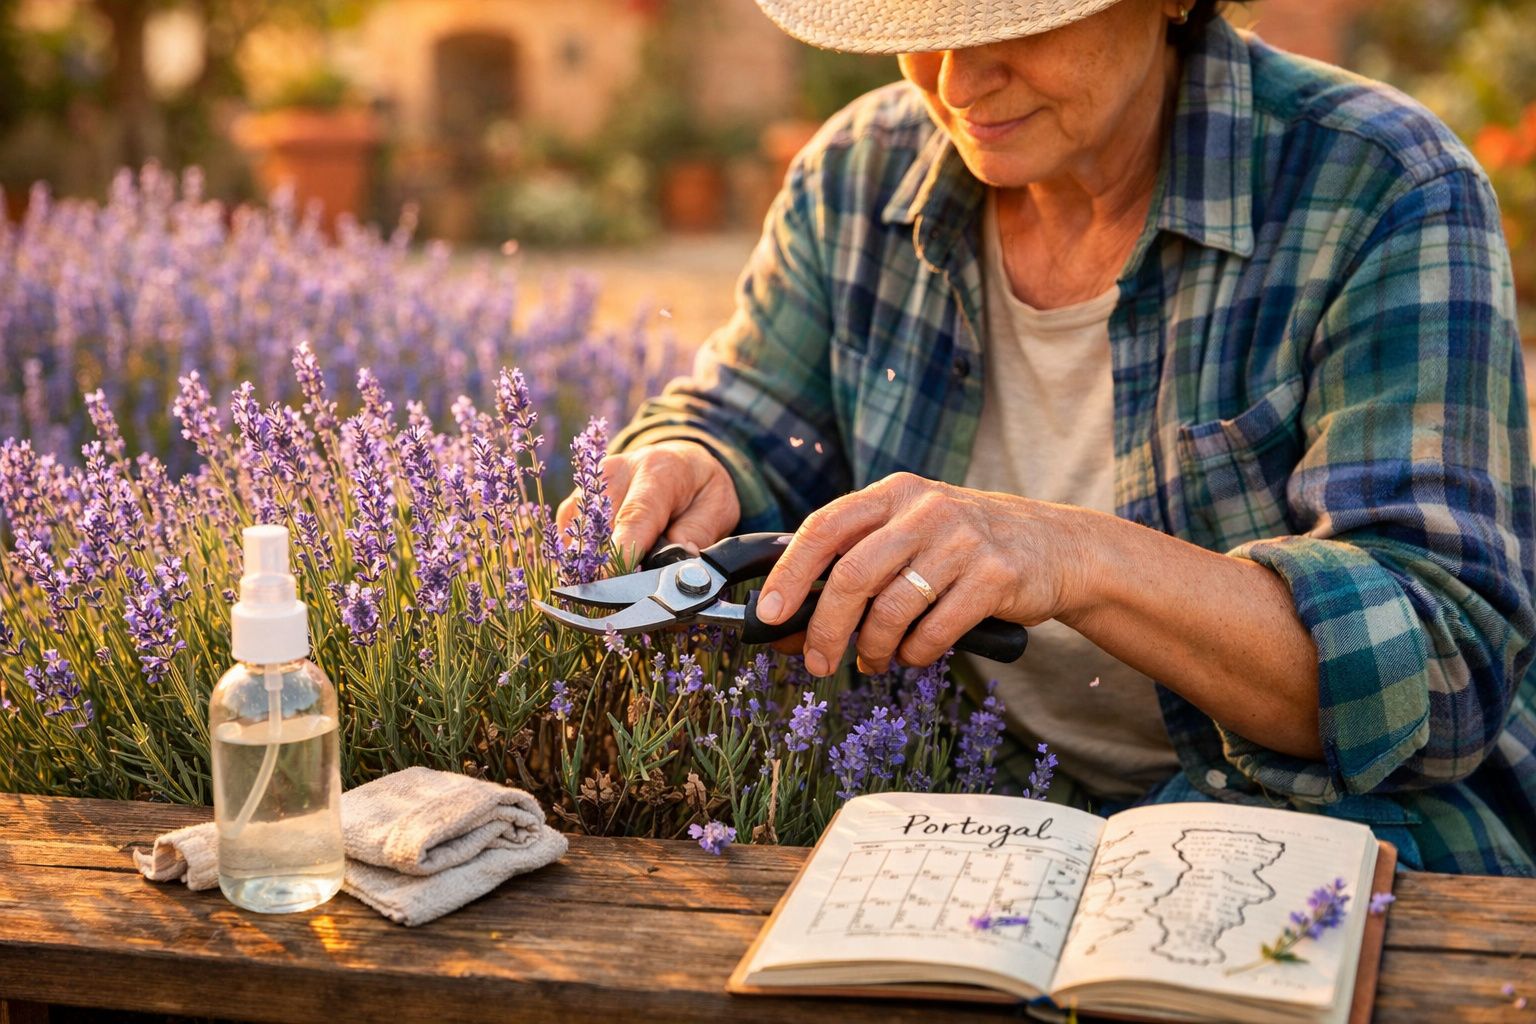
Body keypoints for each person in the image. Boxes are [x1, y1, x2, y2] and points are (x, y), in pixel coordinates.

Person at [559, 0, 1536, 875]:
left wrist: (1069, 552)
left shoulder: (1382, 184)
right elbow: (749, 412)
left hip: (1335, 819)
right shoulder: (859, 173)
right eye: (923, 23)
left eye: (1015, 22)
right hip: (983, 806)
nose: (957, 80)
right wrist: (697, 462)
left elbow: (1445, 671)